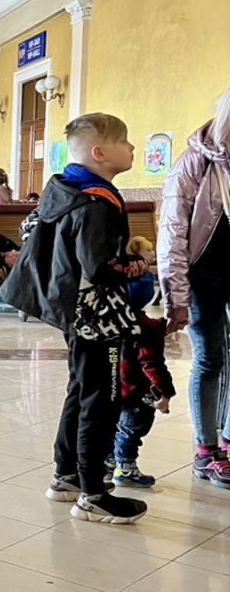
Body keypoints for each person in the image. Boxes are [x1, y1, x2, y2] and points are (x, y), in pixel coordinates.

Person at [2, 113, 153, 524]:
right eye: (126, 142)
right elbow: (100, 267)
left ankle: (66, 475)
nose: (133, 148)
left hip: (76, 311)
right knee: (100, 400)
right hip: (96, 316)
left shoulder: (69, 189)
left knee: (81, 391)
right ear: (101, 153)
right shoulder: (96, 204)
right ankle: (93, 493)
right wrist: (140, 264)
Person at [158, 84, 230, 489]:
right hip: (205, 276)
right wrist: (176, 297)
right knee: (210, 358)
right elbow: (172, 233)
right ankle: (206, 450)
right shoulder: (196, 162)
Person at [104, 263, 173, 488]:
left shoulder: (111, 321)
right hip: (137, 393)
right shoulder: (146, 327)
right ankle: (125, 469)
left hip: (113, 389)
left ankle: (107, 464)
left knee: (115, 427)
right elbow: (152, 363)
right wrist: (164, 391)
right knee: (132, 430)